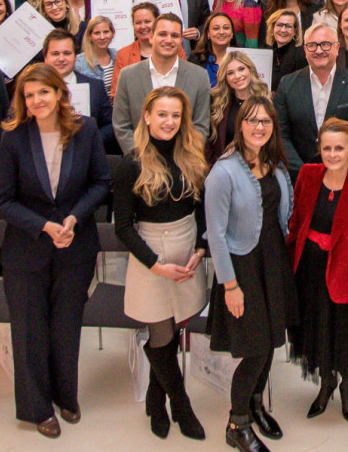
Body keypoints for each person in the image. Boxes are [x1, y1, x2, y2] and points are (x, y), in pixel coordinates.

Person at [0, 64, 111, 438]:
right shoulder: (13, 137)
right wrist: (44, 226)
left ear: (60, 93)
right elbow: (1, 200)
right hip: (27, 249)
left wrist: (74, 218)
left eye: (44, 92)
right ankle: (36, 407)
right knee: (29, 330)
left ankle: (65, 395)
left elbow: (101, 183)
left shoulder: (86, 129)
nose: (36, 100)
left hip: (76, 245)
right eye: (29, 95)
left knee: (66, 325)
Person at [114, 87, 209, 440]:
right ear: (148, 117)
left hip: (186, 247)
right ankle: (181, 407)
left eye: (176, 115)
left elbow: (202, 211)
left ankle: (155, 402)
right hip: (150, 252)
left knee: (173, 329)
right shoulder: (132, 163)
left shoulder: (192, 155)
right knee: (161, 331)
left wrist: (199, 250)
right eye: (163, 114)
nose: (169, 121)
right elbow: (122, 227)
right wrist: (155, 266)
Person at [204, 95, 297, 452]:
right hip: (241, 267)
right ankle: (237, 423)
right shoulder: (223, 172)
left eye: (266, 122)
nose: (259, 127)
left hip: (272, 261)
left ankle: (256, 404)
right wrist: (230, 286)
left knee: (272, 338)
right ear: (239, 125)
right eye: (252, 120)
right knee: (255, 350)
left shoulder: (274, 163)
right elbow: (215, 234)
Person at [286, 118, 348, 425]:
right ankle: (325, 384)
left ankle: (346, 386)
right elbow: (296, 223)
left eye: (339, 148)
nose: (333, 154)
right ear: (319, 149)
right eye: (327, 148)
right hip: (310, 272)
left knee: (345, 334)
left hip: (346, 274)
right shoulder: (308, 175)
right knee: (318, 330)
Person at [273, 23, 348, 178]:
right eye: (312, 45)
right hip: (299, 179)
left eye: (325, 45)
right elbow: (280, 134)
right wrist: (304, 172)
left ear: (337, 48)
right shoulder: (287, 85)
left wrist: (337, 165)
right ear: (305, 50)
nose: (319, 50)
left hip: (345, 176)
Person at [113, 14, 212, 154]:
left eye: (175, 35)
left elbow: (200, 126)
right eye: (162, 34)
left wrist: (185, 158)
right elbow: (121, 125)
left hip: (184, 164)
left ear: (181, 39)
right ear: (151, 36)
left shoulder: (199, 76)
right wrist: (140, 158)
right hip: (140, 163)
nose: (168, 40)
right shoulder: (128, 76)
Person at [41, 29, 114, 152]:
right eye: (55, 54)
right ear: (45, 58)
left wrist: (92, 140)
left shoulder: (95, 87)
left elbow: (111, 124)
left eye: (67, 53)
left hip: (85, 157)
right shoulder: (32, 89)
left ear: (75, 56)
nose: (61, 59)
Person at [207, 50, 272, 164]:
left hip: (260, 166)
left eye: (241, 69)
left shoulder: (268, 100)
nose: (237, 76)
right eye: (230, 73)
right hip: (226, 168)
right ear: (225, 78)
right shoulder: (218, 103)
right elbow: (210, 143)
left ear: (250, 70)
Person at [112, 3, 159, 97]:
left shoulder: (173, 49)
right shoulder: (123, 54)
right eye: (138, 23)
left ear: (157, 22)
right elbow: (116, 94)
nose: (143, 26)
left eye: (147, 21)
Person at [190, 12, 237, 85]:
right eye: (216, 28)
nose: (221, 32)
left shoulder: (243, 58)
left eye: (226, 28)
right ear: (208, 33)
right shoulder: (195, 60)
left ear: (232, 33)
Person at [267, 9, 309, 87]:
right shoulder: (266, 53)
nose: (283, 30)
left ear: (295, 31)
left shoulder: (301, 56)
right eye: (279, 25)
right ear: (272, 28)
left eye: (288, 26)